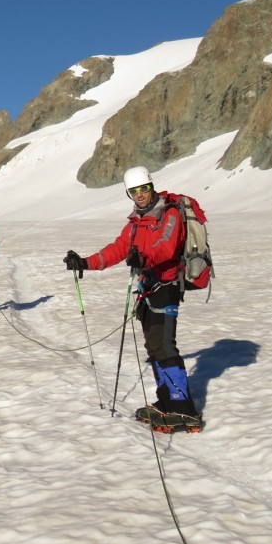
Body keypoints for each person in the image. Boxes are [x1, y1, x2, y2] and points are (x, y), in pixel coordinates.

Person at [63, 166, 202, 431]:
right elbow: (117, 250)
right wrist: (85, 262)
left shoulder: (169, 214)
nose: (139, 195)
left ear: (151, 187)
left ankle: (184, 410)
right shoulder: (135, 223)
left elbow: (167, 246)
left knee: (164, 346)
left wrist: (145, 258)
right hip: (148, 288)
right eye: (133, 191)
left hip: (167, 285)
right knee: (154, 347)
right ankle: (166, 402)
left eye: (143, 189)